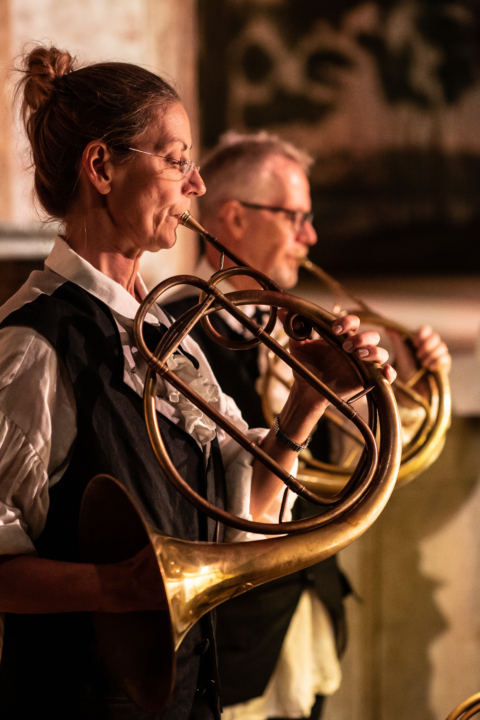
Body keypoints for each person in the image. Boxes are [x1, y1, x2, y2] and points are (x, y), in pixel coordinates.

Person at [0, 47, 396, 720]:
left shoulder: (166, 334)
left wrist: (308, 399)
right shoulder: (31, 343)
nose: (199, 186)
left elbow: (244, 526)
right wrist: (114, 588)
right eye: (177, 158)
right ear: (101, 167)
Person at [164, 131, 452, 720]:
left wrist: (413, 383)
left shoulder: (303, 329)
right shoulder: (167, 337)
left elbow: (346, 464)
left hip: (306, 617)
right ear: (234, 219)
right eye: (295, 217)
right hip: (225, 642)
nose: (311, 237)